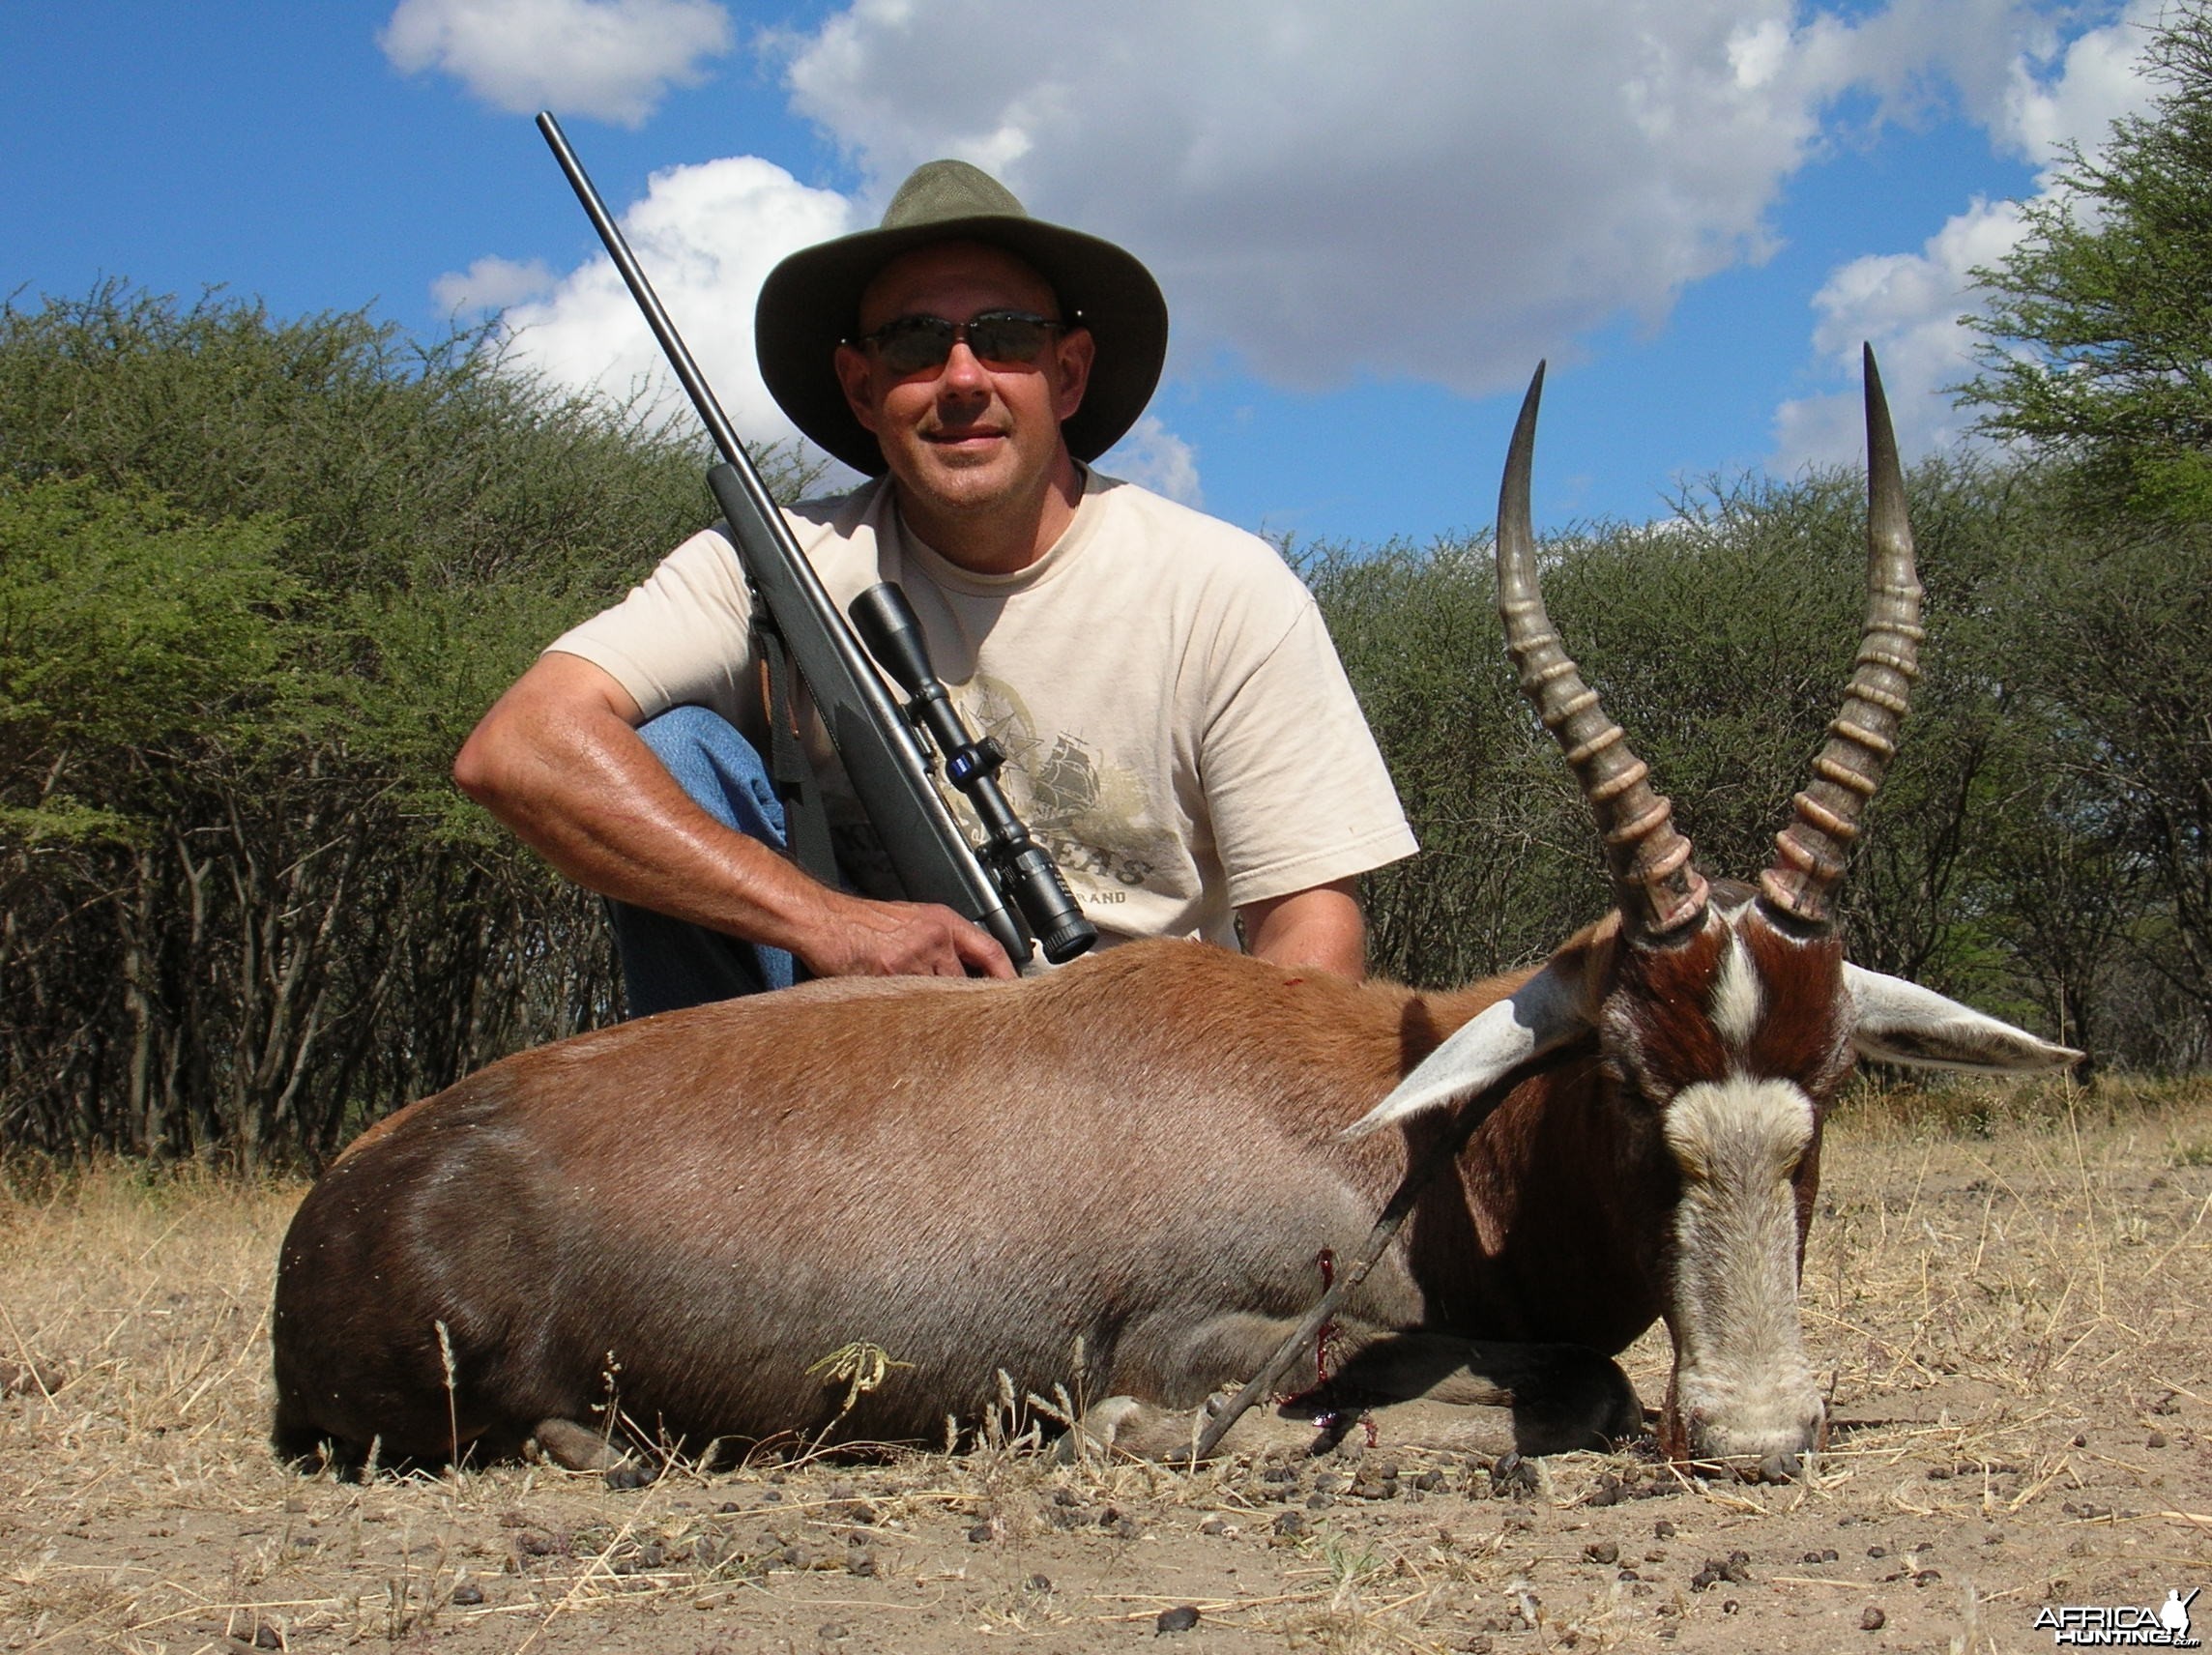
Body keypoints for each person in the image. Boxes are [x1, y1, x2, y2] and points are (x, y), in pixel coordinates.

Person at [454, 160, 1415, 1015]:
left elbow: (1309, 930)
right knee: (674, 749)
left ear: (1067, 372)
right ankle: (704, 1180)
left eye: (1003, 337)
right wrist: (826, 921)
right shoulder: (776, 561)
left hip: (1134, 1088)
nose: (960, 378)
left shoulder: (1223, 587)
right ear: (863, 387)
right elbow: (519, 748)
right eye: (914, 342)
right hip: (847, 1051)